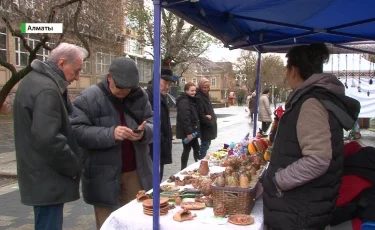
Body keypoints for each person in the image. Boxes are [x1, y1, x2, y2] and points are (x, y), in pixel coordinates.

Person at [262, 43, 360, 230]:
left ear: (294, 71)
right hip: (303, 206)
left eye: (286, 69)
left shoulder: (311, 103)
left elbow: (318, 159)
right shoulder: (313, 98)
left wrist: (278, 180)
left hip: (300, 210)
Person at [70, 57, 153, 229]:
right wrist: (110, 134)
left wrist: (144, 132)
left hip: (135, 172)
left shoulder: (139, 95)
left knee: (137, 221)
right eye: (120, 87)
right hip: (102, 174)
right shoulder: (88, 97)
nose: (124, 91)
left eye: (128, 88)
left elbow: (154, 122)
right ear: (109, 78)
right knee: (108, 224)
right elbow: (76, 131)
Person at [13, 43, 87, 230]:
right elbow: (49, 138)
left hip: (39, 173)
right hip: (48, 178)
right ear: (62, 63)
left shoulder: (34, 80)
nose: (77, 77)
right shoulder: (47, 89)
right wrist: (72, 165)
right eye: (76, 71)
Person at [146, 68, 175, 181]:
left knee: (158, 179)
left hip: (160, 147)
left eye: (169, 84)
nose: (167, 87)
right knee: (152, 183)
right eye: (165, 83)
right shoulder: (148, 97)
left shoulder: (161, 97)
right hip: (152, 149)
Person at [176, 82, 201, 170]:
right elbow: (185, 118)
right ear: (186, 91)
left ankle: (197, 167)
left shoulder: (191, 100)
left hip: (192, 130)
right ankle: (184, 168)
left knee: (195, 149)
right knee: (188, 150)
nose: (194, 92)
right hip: (187, 132)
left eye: (195, 90)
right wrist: (189, 132)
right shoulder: (184, 101)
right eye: (192, 90)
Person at [195, 78, 217, 158]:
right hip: (205, 126)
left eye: (207, 87)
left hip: (209, 125)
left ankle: (201, 159)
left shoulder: (205, 96)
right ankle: (201, 161)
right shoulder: (199, 97)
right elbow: (200, 113)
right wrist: (208, 120)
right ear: (200, 87)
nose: (206, 89)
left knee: (207, 144)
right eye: (204, 87)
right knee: (205, 145)